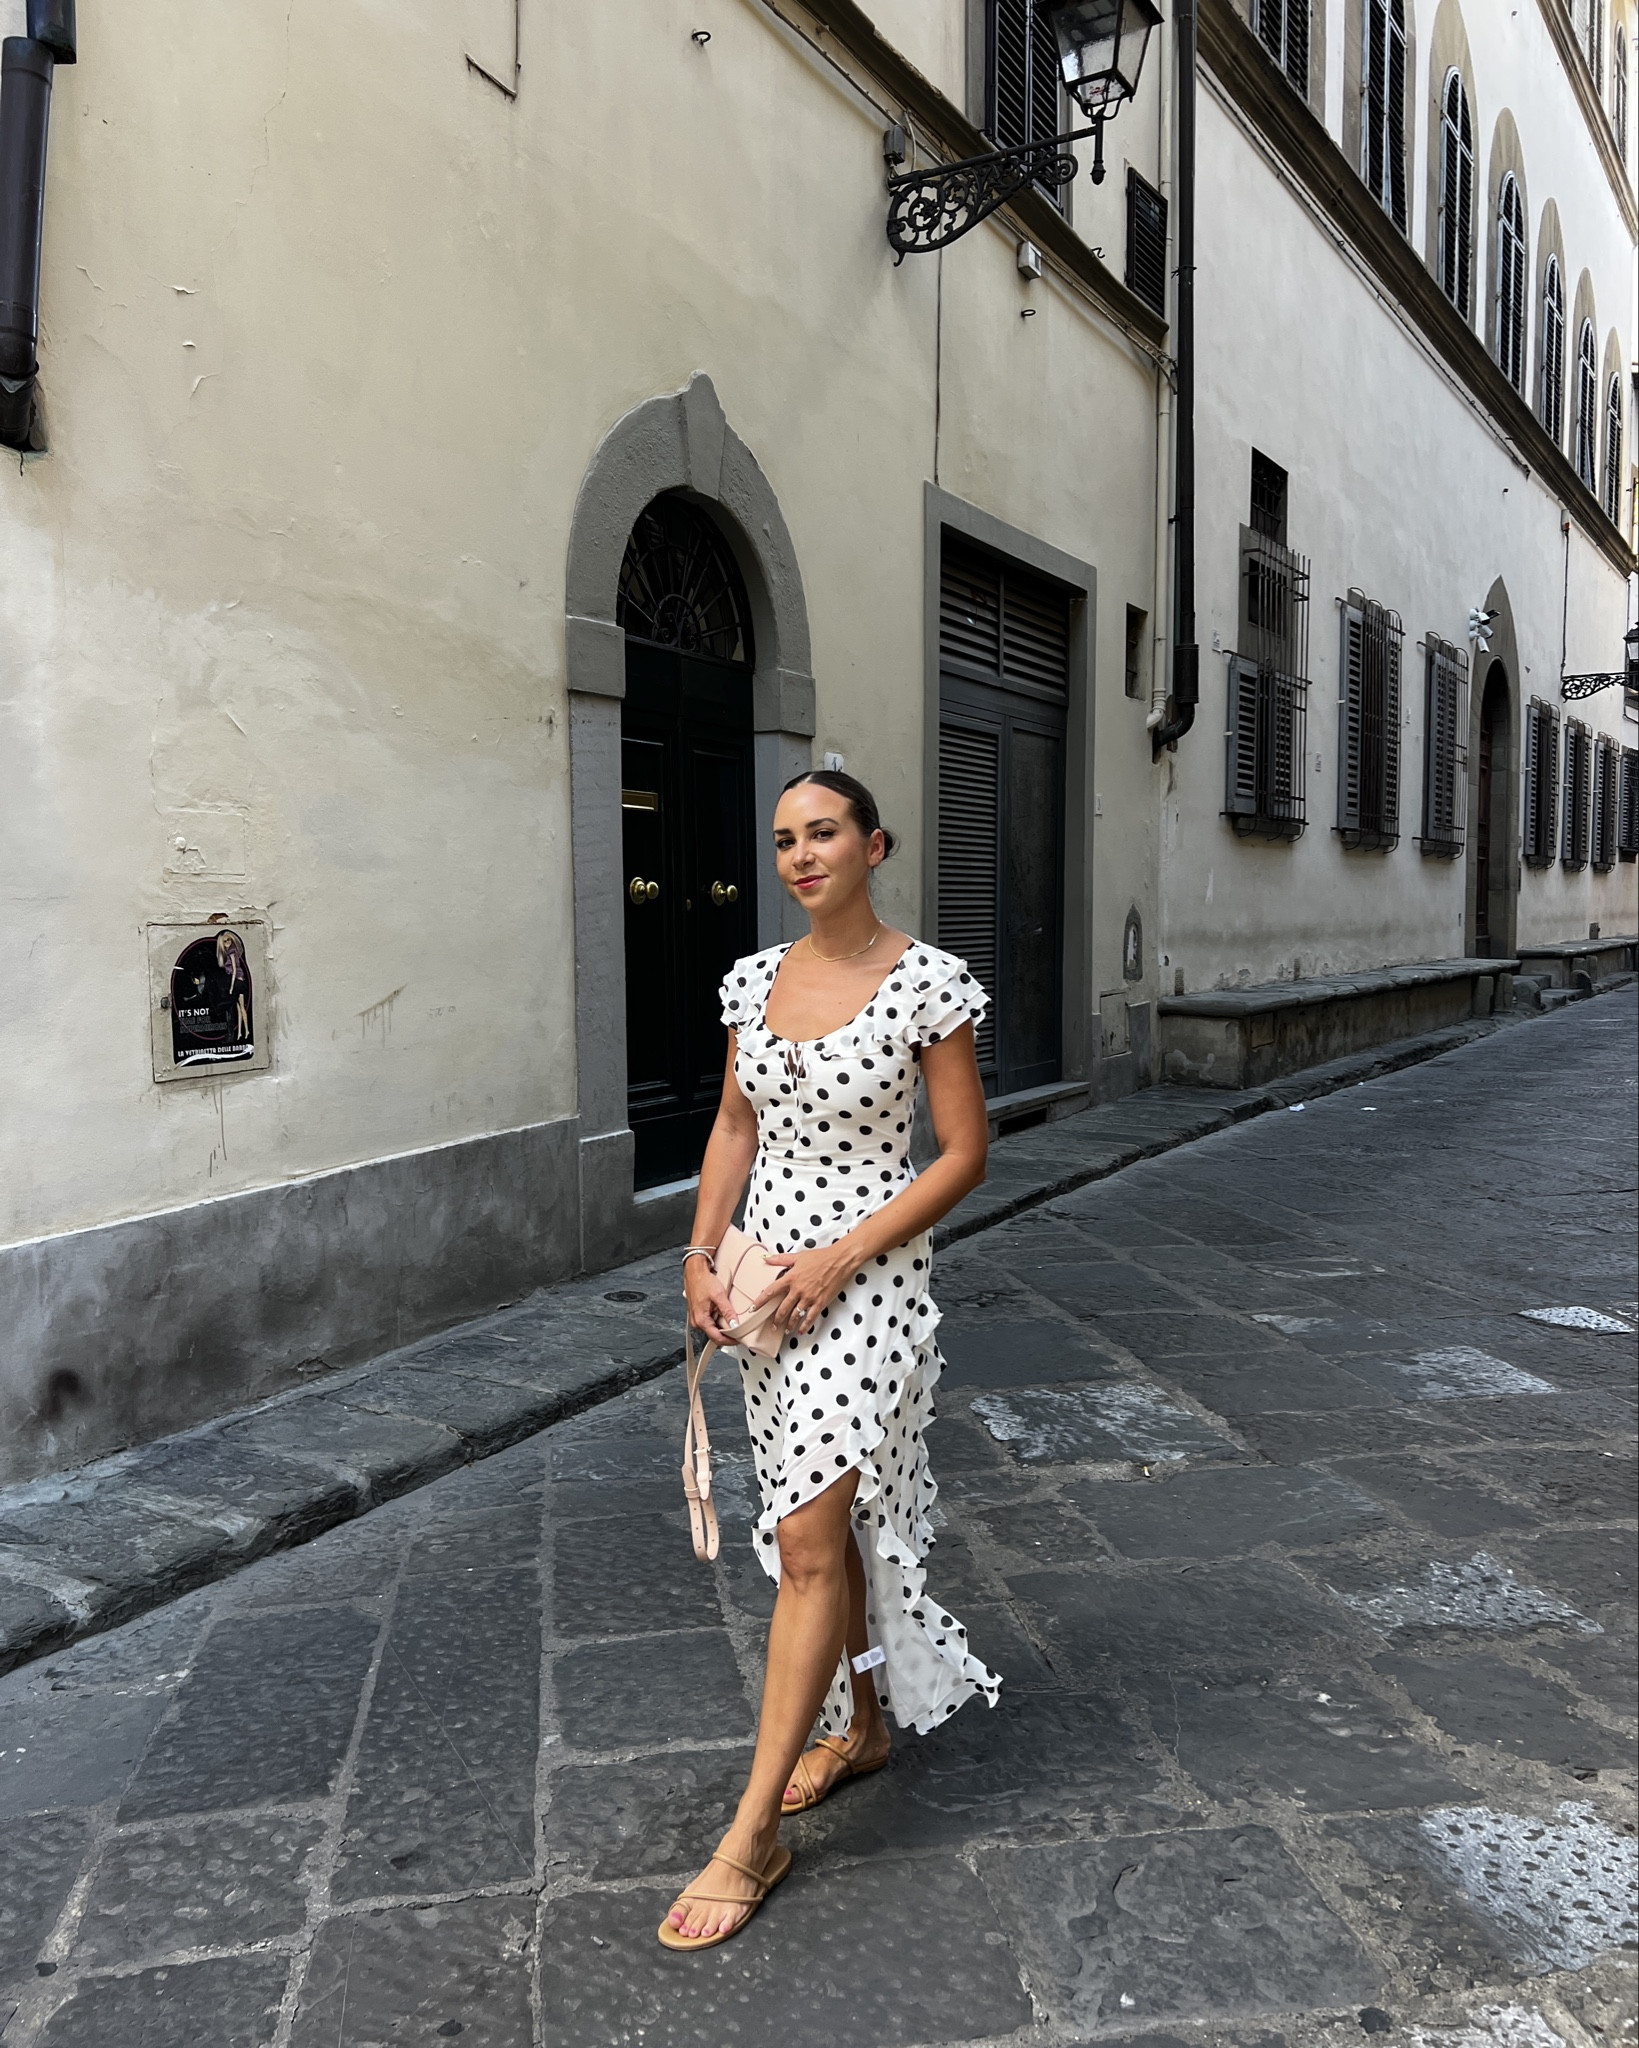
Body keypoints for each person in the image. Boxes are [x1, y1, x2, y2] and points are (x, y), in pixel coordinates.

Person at [660, 768, 999, 1952]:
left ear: (874, 844)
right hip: (765, 1287)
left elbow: (963, 1153)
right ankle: (857, 1727)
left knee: (807, 1538)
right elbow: (732, 1125)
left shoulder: (927, 983)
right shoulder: (753, 980)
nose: (801, 854)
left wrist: (843, 1255)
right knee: (830, 1523)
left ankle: (749, 1831)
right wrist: (703, 1252)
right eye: (785, 839)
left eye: (824, 833)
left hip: (869, 1282)